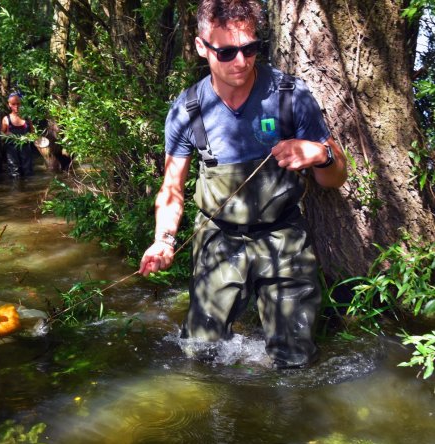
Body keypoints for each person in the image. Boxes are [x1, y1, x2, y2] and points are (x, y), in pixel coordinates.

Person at [138, 0, 347, 368]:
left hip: (282, 235)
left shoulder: (290, 96)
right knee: (199, 352)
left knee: (295, 359)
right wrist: (163, 241)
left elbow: (334, 179)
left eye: (250, 48)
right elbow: (172, 189)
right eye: (227, 51)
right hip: (218, 237)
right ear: (202, 46)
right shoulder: (187, 111)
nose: (241, 61)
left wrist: (321, 155)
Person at [1, 92, 34, 178]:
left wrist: (28, 137)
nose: (16, 106)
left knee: (28, 173)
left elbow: (33, 134)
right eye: (13, 104)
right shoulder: (6, 119)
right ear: (9, 105)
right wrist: (7, 134)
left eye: (18, 103)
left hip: (26, 151)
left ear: (21, 104)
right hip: (12, 152)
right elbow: (2, 134)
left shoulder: (27, 118)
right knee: (15, 174)